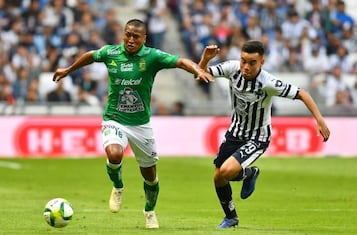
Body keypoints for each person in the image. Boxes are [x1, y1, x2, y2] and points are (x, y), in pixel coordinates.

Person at [52, 19, 213, 229]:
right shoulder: (111, 53)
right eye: (127, 34)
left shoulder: (152, 56)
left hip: (141, 125)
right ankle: (118, 186)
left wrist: (197, 70)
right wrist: (68, 70)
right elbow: (91, 55)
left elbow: (181, 61)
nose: (130, 39)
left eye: (136, 36)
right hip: (114, 119)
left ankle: (149, 211)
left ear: (144, 39)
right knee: (114, 154)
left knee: (150, 177)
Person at [198, 40, 330, 229]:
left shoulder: (268, 82)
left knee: (227, 171)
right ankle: (231, 217)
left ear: (262, 62)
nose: (246, 66)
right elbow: (201, 74)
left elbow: (302, 93)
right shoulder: (232, 68)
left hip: (257, 137)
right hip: (234, 133)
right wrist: (205, 60)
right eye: (243, 60)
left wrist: (320, 120)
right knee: (218, 177)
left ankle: (248, 172)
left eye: (252, 63)